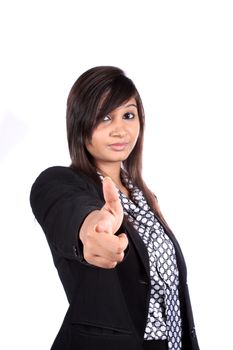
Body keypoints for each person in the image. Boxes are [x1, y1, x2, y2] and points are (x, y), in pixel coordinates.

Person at [30, 66, 200, 350]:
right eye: (104, 117)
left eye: (128, 115)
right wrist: (91, 229)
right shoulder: (61, 182)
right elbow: (70, 213)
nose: (120, 129)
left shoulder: (144, 197)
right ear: (80, 123)